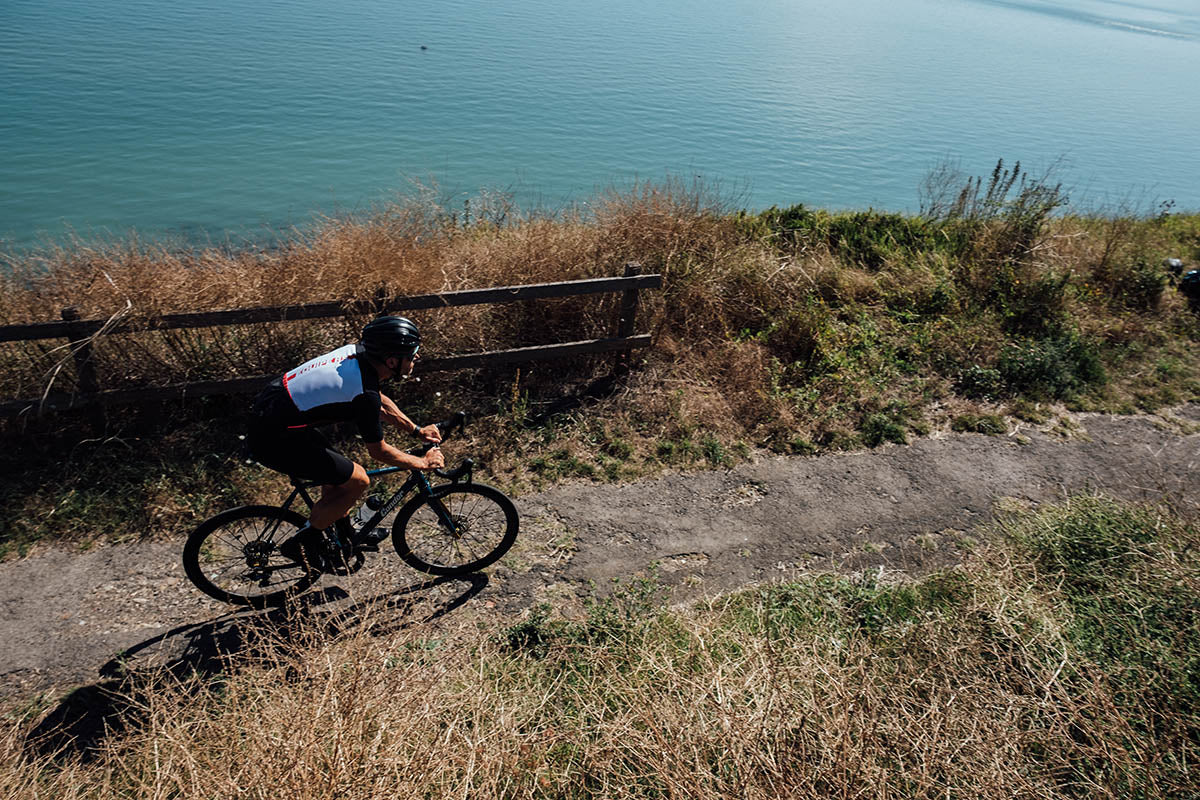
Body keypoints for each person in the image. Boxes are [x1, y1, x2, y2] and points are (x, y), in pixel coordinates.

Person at [246, 315, 445, 568]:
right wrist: (422, 463)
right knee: (358, 479)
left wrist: (416, 431)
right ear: (392, 360)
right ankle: (302, 544)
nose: (416, 357)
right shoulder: (364, 393)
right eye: (412, 353)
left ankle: (344, 537)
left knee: (340, 475)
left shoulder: (359, 355)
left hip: (279, 419)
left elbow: (379, 401)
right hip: (273, 437)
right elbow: (380, 451)